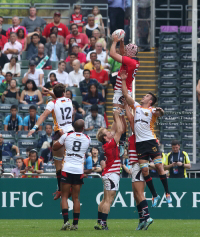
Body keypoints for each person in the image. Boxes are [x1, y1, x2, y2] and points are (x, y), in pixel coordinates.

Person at [121, 70, 171, 207]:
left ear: (150, 101)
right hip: (140, 144)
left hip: (150, 141)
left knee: (160, 167)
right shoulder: (136, 106)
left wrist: (160, 110)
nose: (143, 96)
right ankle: (155, 195)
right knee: (144, 170)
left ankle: (167, 192)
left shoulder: (152, 110)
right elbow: (125, 94)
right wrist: (124, 79)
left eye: (146, 96)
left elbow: (160, 113)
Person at [27, 83, 74, 200]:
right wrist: (50, 92)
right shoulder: (68, 100)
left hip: (59, 134)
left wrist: (34, 128)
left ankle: (60, 189)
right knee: (70, 161)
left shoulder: (52, 103)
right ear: (64, 93)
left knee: (58, 164)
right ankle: (71, 186)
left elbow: (43, 115)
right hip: (71, 133)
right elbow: (59, 98)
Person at [53, 119, 91, 231]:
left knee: (64, 196)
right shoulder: (87, 139)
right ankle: (75, 224)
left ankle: (66, 222)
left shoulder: (66, 136)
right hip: (79, 170)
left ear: (73, 127)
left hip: (67, 168)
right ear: (83, 128)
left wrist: (62, 140)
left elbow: (55, 147)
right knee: (76, 198)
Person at [122, 97, 153, 230]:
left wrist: (125, 107)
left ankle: (147, 217)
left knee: (139, 193)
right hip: (136, 164)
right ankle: (142, 220)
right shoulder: (134, 134)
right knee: (136, 194)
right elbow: (130, 118)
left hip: (137, 164)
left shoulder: (137, 132)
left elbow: (130, 118)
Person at [110, 34, 139, 157]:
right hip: (126, 89)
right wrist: (122, 42)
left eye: (126, 49)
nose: (124, 51)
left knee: (117, 115)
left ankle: (120, 142)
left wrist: (115, 41)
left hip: (121, 90)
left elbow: (112, 54)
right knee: (119, 116)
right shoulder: (133, 60)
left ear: (129, 53)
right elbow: (122, 53)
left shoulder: (129, 61)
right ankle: (120, 141)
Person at [94, 108, 124, 230]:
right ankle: (103, 224)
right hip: (112, 174)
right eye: (108, 133)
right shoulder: (110, 143)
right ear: (106, 137)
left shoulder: (107, 143)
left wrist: (114, 115)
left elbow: (114, 128)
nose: (111, 133)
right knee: (108, 200)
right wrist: (117, 115)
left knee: (104, 199)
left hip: (107, 174)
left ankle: (99, 221)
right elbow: (120, 130)